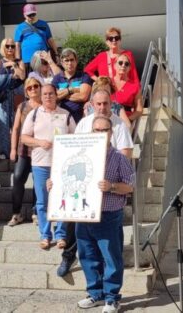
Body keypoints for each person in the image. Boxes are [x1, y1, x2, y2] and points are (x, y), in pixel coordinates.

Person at [47, 115, 135, 313]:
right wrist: (54, 184)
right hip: (83, 214)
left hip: (108, 215)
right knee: (87, 256)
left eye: (105, 130)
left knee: (111, 257)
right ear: (91, 132)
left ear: (111, 133)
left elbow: (131, 186)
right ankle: (95, 294)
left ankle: (112, 298)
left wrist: (112, 186)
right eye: (97, 130)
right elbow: (64, 178)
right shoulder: (78, 154)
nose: (101, 134)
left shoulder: (119, 158)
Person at [55, 90, 135, 278]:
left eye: (105, 103)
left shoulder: (119, 125)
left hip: (108, 204)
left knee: (110, 255)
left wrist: (107, 173)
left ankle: (111, 297)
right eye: (98, 104)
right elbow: (72, 153)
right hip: (84, 197)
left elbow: (126, 157)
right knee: (87, 252)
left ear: (111, 103)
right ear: (92, 104)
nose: (102, 107)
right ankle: (74, 264)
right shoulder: (84, 122)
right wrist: (58, 182)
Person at [20, 83, 75, 250]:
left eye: (51, 93)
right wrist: (39, 142)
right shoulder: (34, 114)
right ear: (41, 96)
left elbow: (76, 137)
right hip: (40, 163)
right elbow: (23, 137)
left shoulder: (65, 115)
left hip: (62, 166)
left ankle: (61, 235)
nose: (48, 97)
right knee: (43, 202)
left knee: (62, 199)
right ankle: (45, 235)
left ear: (56, 95)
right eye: (45, 94)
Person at [8, 78, 42, 226]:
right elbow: (15, 128)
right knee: (18, 177)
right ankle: (16, 213)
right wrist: (13, 148)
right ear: (26, 92)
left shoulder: (46, 105)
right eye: (30, 88)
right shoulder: (22, 106)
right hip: (24, 148)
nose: (33, 89)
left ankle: (36, 212)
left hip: (40, 149)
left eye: (36, 86)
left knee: (37, 180)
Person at [0, 38, 26, 159]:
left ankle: (18, 150)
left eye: (12, 46)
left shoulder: (20, 62)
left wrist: (13, 65)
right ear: (3, 47)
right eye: (7, 46)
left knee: (18, 123)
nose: (10, 48)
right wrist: (11, 74)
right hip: (3, 96)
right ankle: (4, 151)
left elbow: (22, 76)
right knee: (3, 124)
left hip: (17, 94)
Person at [52, 48, 92, 123]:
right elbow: (54, 98)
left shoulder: (84, 76)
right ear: (62, 63)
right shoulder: (57, 78)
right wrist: (70, 90)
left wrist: (62, 95)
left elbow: (83, 96)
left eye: (72, 60)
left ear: (76, 61)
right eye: (66, 60)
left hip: (80, 116)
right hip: (61, 116)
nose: (69, 63)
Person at [14, 3, 58, 70]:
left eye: (33, 14)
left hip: (42, 59)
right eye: (29, 15)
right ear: (24, 15)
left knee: (43, 79)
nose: (31, 17)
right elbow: (17, 45)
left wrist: (57, 54)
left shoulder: (44, 24)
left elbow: (50, 40)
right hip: (27, 60)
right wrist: (17, 60)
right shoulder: (20, 27)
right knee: (30, 79)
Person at [110, 53, 143, 122]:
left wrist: (128, 120)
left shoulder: (135, 87)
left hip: (125, 120)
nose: (123, 65)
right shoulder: (107, 82)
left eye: (126, 64)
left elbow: (139, 110)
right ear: (114, 66)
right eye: (120, 63)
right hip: (107, 118)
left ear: (129, 68)